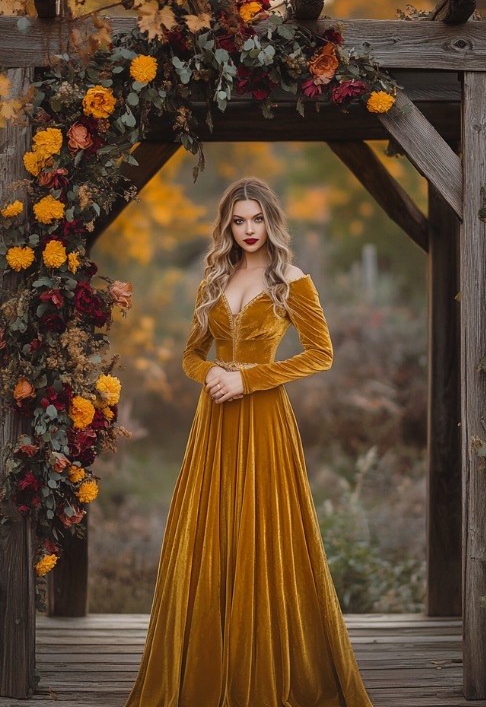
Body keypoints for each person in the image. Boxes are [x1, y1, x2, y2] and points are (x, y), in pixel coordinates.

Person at [125, 177, 373, 707]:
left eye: (256, 219)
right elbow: (191, 355)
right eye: (238, 220)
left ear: (271, 221)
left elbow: (320, 354)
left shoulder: (292, 280)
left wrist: (249, 378)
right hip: (213, 424)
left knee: (265, 533)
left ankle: (268, 663)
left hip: (263, 420)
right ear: (227, 225)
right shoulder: (213, 278)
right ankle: (205, 666)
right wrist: (213, 372)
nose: (248, 230)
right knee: (210, 533)